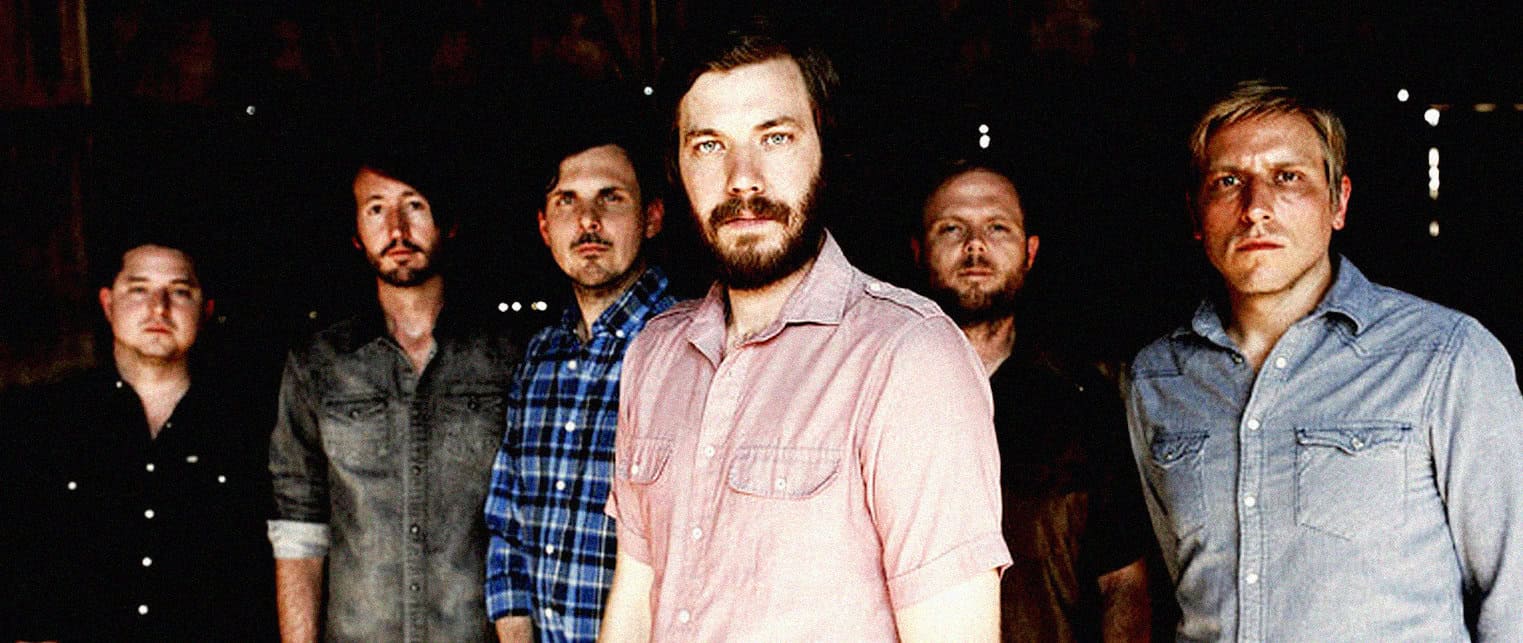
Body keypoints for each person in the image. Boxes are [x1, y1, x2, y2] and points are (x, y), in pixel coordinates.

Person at [599, 19, 1010, 641]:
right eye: (708, 144)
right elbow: (636, 592)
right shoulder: (656, 353)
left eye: (776, 137)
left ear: (825, 148)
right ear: (677, 168)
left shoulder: (910, 358)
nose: (743, 178)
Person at [1126, 80, 1523, 640]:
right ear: (1197, 215)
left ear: (1338, 203)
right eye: (1228, 181)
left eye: (1288, 177)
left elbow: (1515, 598)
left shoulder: (1445, 358)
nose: (1255, 208)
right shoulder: (1157, 380)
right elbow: (1181, 590)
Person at [267, 151, 519, 642]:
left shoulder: (507, 355)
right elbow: (298, 523)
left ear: (448, 224)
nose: (397, 228)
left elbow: (527, 523)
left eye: (416, 205)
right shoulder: (319, 363)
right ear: (357, 234)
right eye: (376, 209)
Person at [915, 160, 1151, 641]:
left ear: (1030, 252)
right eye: (951, 228)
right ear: (918, 251)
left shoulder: (1084, 400)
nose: (974, 245)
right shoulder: (878, 393)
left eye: (997, 227)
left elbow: (1124, 583)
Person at [2, 240, 276, 641]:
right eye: (139, 289)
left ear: (207, 309)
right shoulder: (46, 421)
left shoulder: (251, 427)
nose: (159, 308)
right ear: (108, 303)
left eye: (180, 292)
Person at [483, 132, 675, 642]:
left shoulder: (690, 347)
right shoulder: (541, 357)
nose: (588, 221)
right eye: (567, 201)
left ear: (652, 217)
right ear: (545, 227)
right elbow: (508, 525)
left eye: (611, 198)